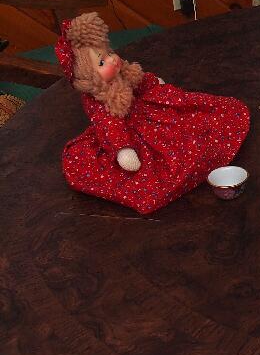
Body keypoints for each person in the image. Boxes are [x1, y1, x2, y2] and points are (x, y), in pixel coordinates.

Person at [57, 12, 249, 214]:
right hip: (127, 134)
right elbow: (110, 125)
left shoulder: (122, 74)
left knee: (193, 120)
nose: (112, 60)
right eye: (102, 62)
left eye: (109, 53)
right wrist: (123, 149)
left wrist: (153, 83)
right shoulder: (99, 101)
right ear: (88, 77)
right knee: (160, 166)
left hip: (148, 113)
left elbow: (138, 82)